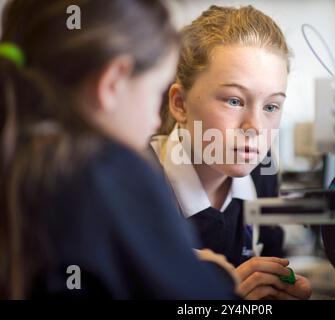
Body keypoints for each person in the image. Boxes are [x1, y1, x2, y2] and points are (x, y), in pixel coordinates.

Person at [0, 0, 237, 299]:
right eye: (157, 92)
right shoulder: (108, 172)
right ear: (112, 82)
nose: (156, 119)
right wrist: (217, 276)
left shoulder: (18, 155)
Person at [151, 5, 311, 300]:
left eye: (271, 106)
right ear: (180, 104)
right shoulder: (135, 179)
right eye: (234, 101)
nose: (255, 127)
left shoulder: (263, 172)